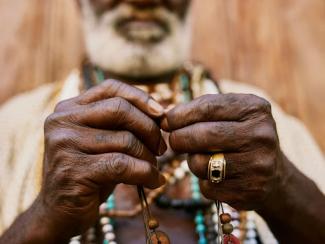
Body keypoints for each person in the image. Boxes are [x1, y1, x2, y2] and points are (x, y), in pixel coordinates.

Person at [0, 0, 324, 243]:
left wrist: (282, 187)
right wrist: (45, 216)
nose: (143, 1)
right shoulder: (13, 128)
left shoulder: (264, 122)